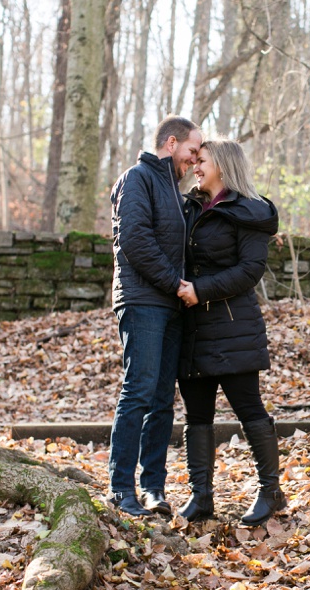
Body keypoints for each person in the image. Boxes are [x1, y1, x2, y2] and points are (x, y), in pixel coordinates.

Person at [175, 139, 285, 526]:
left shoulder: (248, 212)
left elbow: (249, 271)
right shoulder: (189, 207)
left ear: (222, 165)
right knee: (197, 414)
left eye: (202, 161)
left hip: (233, 326)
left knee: (248, 408)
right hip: (192, 329)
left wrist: (200, 290)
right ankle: (201, 497)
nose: (195, 166)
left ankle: (271, 492)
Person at [108, 115, 203, 517]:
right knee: (139, 391)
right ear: (170, 143)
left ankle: (152, 489)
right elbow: (134, 240)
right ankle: (120, 489)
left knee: (163, 399)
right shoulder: (138, 178)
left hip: (171, 306)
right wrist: (175, 284)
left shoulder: (175, 191)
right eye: (192, 151)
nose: (194, 161)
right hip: (143, 301)